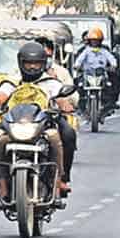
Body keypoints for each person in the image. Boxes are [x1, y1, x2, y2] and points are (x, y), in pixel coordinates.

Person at [0, 42, 71, 205]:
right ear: (20, 63)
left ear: (43, 64)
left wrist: (65, 107)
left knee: (65, 134)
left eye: (36, 63)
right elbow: (0, 97)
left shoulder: (51, 82)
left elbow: (61, 99)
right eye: (28, 63)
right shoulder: (12, 82)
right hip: (14, 125)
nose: (32, 67)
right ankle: (2, 184)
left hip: (43, 125)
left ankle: (60, 179)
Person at [36, 36, 79, 183]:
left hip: (51, 117)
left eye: (46, 56)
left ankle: (62, 178)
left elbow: (73, 97)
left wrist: (66, 102)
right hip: (26, 119)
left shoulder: (60, 73)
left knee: (68, 134)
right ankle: (3, 181)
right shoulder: (18, 73)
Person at [75, 27, 119, 112]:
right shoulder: (86, 51)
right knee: (79, 85)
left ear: (100, 41)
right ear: (89, 41)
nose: (94, 42)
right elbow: (79, 60)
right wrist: (77, 66)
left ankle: (107, 105)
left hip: (101, 73)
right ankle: (81, 105)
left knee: (109, 86)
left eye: (97, 40)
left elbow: (111, 58)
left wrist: (113, 65)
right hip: (88, 73)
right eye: (93, 40)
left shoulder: (104, 51)